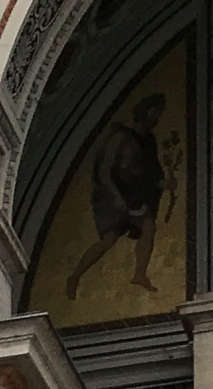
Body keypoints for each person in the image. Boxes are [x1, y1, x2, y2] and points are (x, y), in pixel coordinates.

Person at [65, 94, 169, 298]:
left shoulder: (149, 140)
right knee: (109, 240)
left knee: (148, 225)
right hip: (113, 194)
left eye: (159, 113)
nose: (156, 116)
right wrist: (115, 197)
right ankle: (75, 276)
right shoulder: (121, 136)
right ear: (144, 111)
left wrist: (162, 182)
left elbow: (151, 171)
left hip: (136, 195)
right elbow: (104, 171)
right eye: (154, 111)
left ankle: (139, 274)